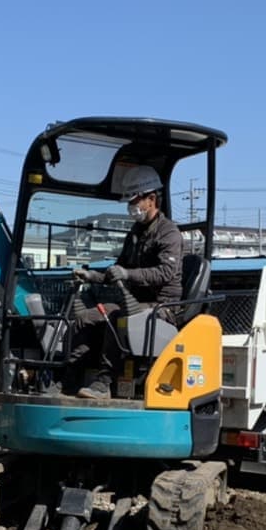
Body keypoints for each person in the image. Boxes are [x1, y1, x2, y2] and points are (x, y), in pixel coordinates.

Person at [69, 164, 183, 399]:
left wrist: (128, 275)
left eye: (134, 200)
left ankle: (103, 384)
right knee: (85, 318)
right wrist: (93, 276)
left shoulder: (168, 233)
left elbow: (165, 272)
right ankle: (69, 379)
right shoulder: (135, 233)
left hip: (163, 307)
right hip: (135, 304)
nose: (131, 206)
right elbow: (117, 271)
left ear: (151, 199)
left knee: (116, 318)